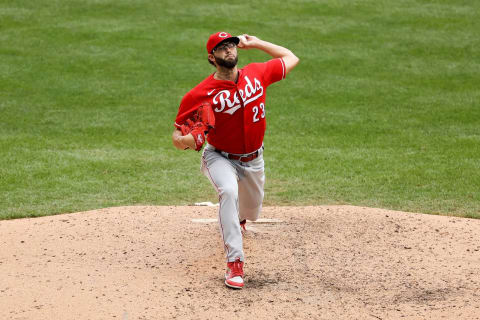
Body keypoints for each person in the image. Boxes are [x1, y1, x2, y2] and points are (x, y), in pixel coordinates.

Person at [172, 31, 299, 289]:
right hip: (219, 156)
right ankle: (235, 263)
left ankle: (239, 219)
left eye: (231, 45)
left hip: (254, 159)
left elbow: (290, 57)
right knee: (228, 192)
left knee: (251, 210)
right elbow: (176, 135)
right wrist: (189, 140)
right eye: (222, 48)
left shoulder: (256, 73)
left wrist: (258, 43)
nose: (229, 50)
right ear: (212, 57)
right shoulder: (199, 94)